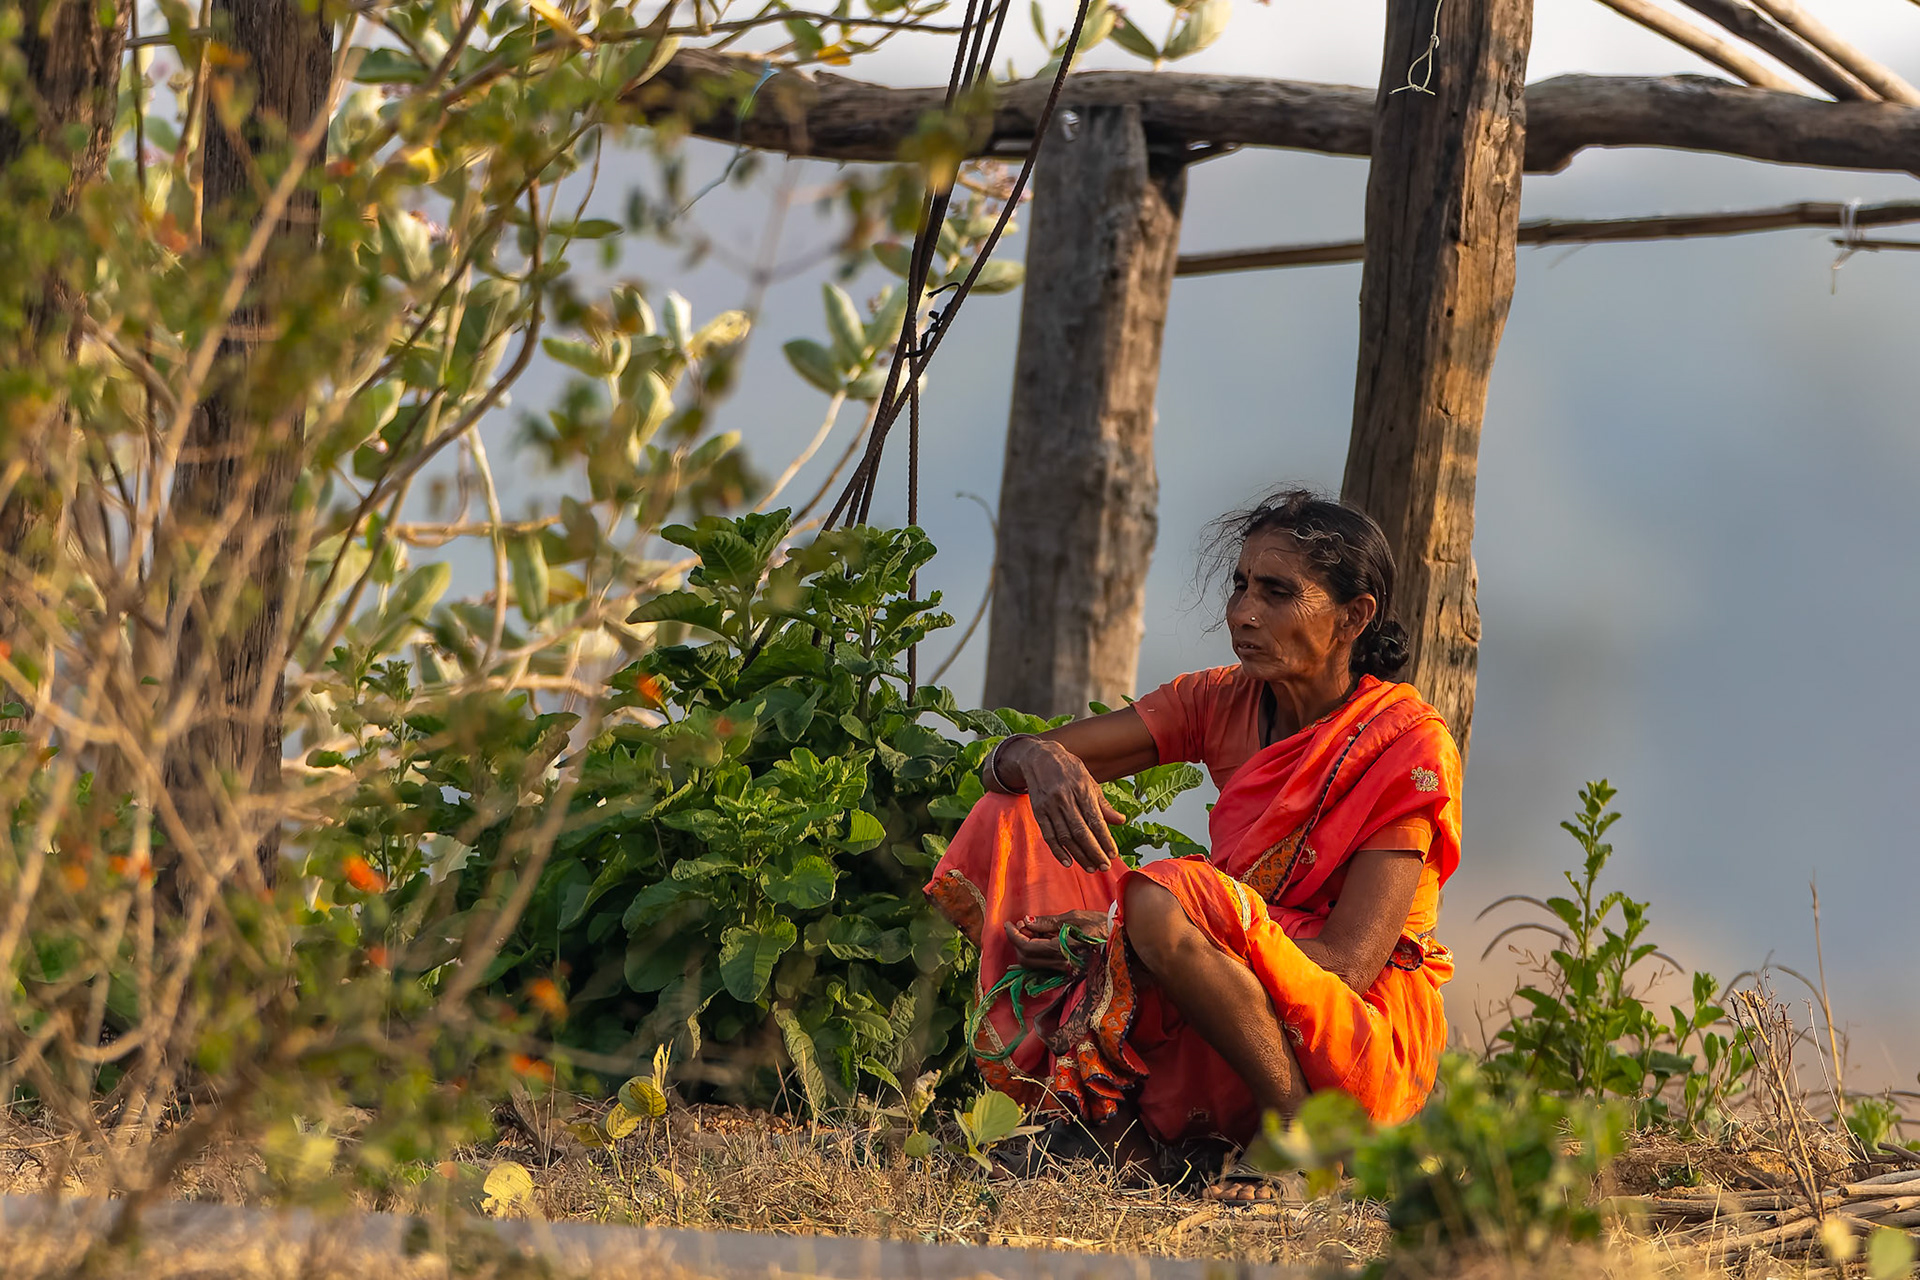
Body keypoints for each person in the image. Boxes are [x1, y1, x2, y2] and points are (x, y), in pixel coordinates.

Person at [924, 490, 1462, 1201]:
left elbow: (1349, 963)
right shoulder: (1218, 700)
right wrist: (1039, 758)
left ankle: (1302, 1139)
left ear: (1353, 617)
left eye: (1277, 593)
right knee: (1009, 815)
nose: (1242, 613)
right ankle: (1124, 1143)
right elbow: (1012, 766)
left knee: (1169, 894)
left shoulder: (1405, 745)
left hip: (1346, 1034)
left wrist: (1126, 934)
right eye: (1241, 586)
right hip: (1214, 970)